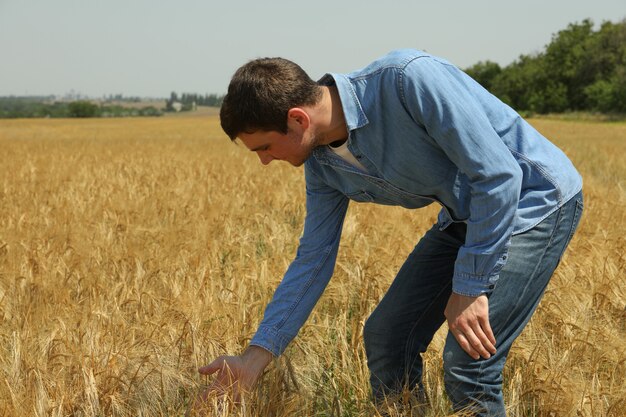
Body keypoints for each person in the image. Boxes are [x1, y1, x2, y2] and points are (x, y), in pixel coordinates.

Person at [195, 49, 584, 416]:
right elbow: (313, 258)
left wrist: (470, 287)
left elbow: (499, 178)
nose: (264, 161)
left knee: (469, 362)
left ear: (298, 119)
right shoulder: (323, 166)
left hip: (534, 199)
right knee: (387, 337)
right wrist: (253, 359)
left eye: (263, 147)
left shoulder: (407, 80)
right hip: (467, 214)